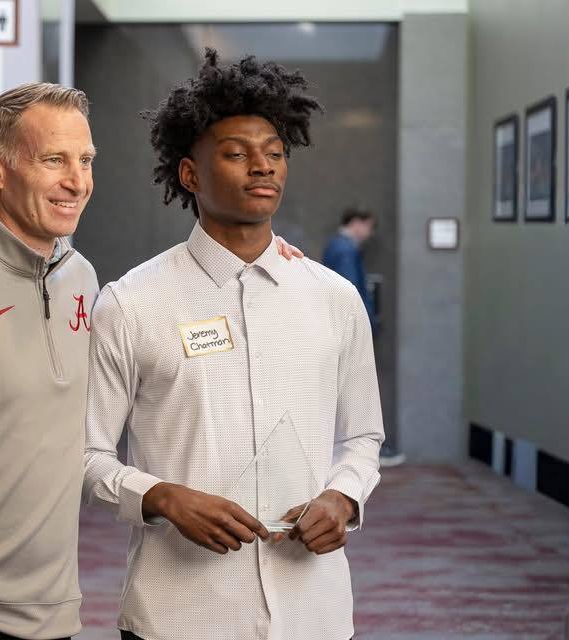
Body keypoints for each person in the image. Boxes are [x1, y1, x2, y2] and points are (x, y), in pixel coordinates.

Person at [0, 81, 302, 639]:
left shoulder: (79, 276)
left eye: (85, 160)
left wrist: (263, 258)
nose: (76, 181)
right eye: (54, 160)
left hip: (50, 616)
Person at [83, 50, 384, 640]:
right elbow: (84, 455)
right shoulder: (130, 303)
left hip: (314, 611)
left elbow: (363, 435)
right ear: (191, 175)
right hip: (179, 614)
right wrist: (161, 496)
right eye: (237, 153)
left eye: (274, 153)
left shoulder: (334, 298)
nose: (262, 167)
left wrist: (344, 498)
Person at [323, 208, 407, 468]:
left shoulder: (336, 247)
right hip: (348, 330)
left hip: (338, 328)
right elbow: (350, 291)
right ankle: (362, 450)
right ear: (357, 223)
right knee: (355, 392)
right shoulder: (345, 250)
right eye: (368, 227)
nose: (369, 234)